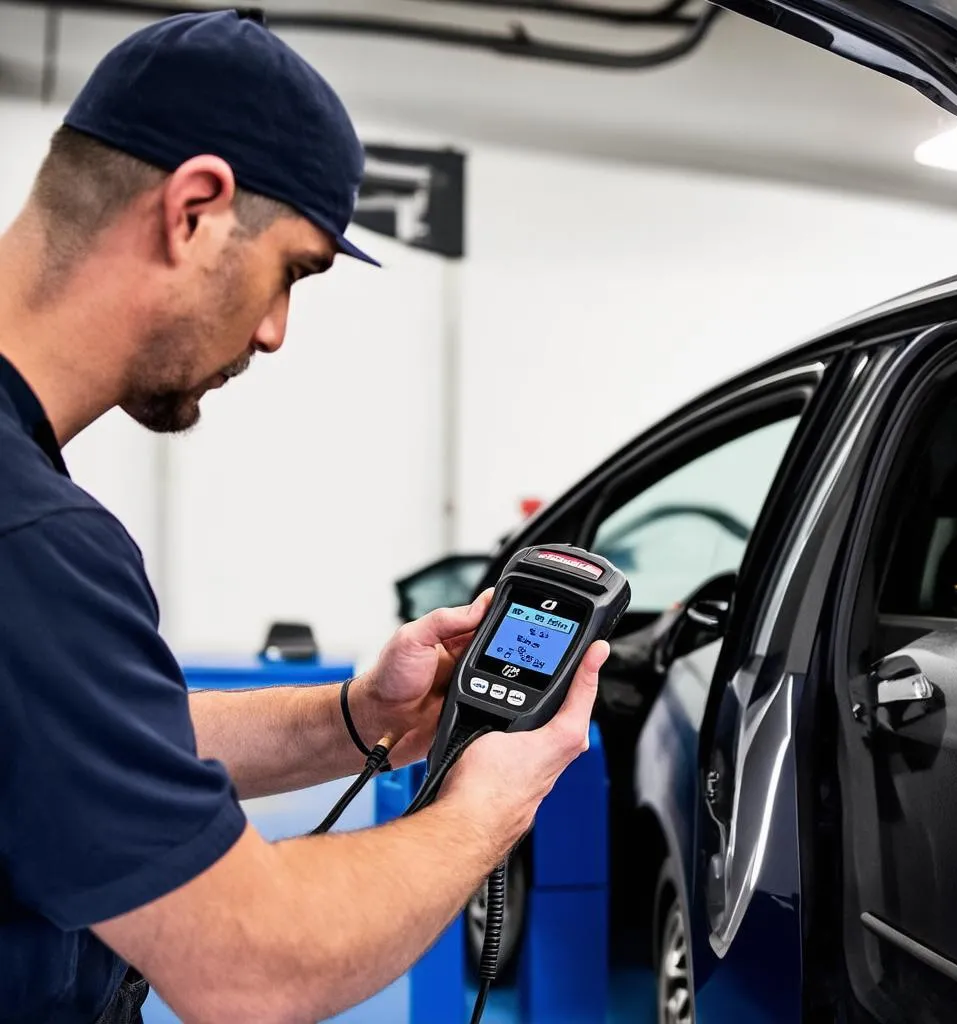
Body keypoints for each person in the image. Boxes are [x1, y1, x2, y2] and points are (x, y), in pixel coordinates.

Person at [0, 11, 608, 1024]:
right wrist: (491, 801)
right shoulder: (34, 541)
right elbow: (251, 968)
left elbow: (80, 728)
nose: (276, 332)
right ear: (194, 207)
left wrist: (356, 719)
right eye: (292, 271)